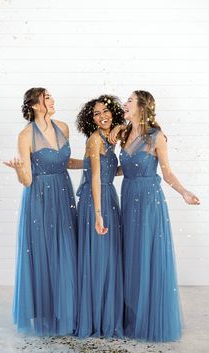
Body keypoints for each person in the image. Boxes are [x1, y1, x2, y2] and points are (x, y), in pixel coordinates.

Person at [108, 90, 200, 342]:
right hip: (127, 196)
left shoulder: (155, 136)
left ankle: (148, 317)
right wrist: (95, 169)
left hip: (149, 200)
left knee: (146, 254)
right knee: (129, 254)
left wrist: (184, 192)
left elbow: (167, 172)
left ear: (142, 106)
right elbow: (120, 169)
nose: (124, 104)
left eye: (129, 101)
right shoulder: (124, 132)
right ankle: (130, 315)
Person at [4, 87, 82, 336]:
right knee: (44, 250)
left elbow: (67, 162)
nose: (52, 100)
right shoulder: (25, 135)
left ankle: (67, 309)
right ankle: (47, 311)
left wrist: (96, 163)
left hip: (63, 192)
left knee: (66, 249)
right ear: (35, 105)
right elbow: (27, 179)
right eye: (46, 97)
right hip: (39, 198)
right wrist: (18, 170)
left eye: (51, 96)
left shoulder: (63, 127)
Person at [75, 95, 125, 338]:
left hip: (108, 197)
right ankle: (95, 317)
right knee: (97, 258)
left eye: (106, 111)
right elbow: (95, 177)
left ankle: (108, 313)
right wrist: (97, 214)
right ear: (90, 119)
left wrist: (119, 126)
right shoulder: (95, 140)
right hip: (96, 201)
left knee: (109, 257)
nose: (102, 116)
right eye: (96, 113)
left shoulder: (111, 137)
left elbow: (110, 171)